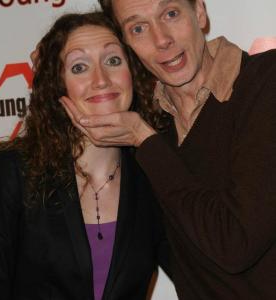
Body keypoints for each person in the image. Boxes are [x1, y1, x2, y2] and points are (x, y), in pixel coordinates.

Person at [60, 0, 276, 299]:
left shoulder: (265, 80)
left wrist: (145, 140)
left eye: (170, 14)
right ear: (127, 46)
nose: (161, 40)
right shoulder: (151, 125)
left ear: (199, 12)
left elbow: (235, 244)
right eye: (138, 28)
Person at [0, 12, 170, 300]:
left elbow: (210, 266)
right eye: (79, 67)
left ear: (134, 73)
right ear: (57, 84)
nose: (101, 80)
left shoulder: (155, 173)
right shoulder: (13, 169)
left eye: (113, 61)